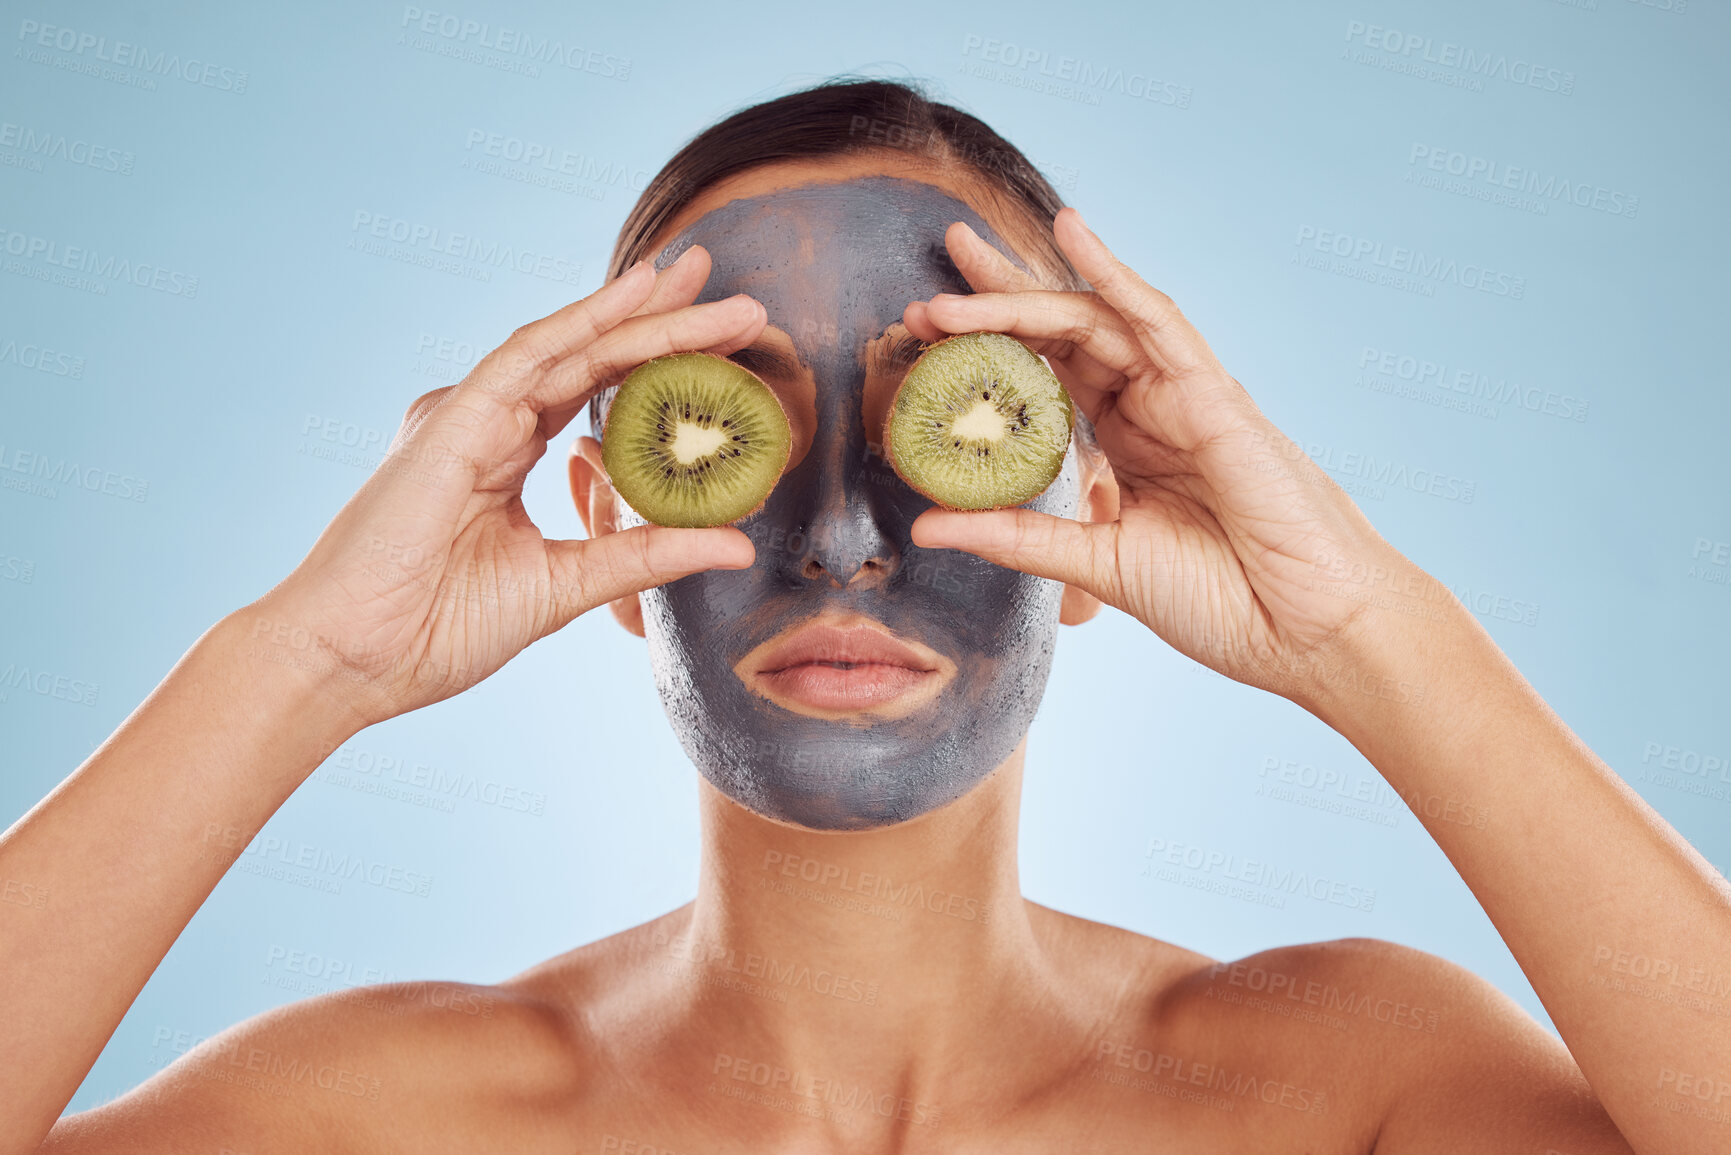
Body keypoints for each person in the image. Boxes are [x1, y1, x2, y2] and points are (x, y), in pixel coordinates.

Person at [2, 78, 1720, 1155]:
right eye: (731, 428)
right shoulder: (389, 1127)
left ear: (1093, 511)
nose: (838, 538)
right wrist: (304, 662)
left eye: (953, 421)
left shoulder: (1344, 1090)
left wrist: (1362, 629)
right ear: (605, 515)